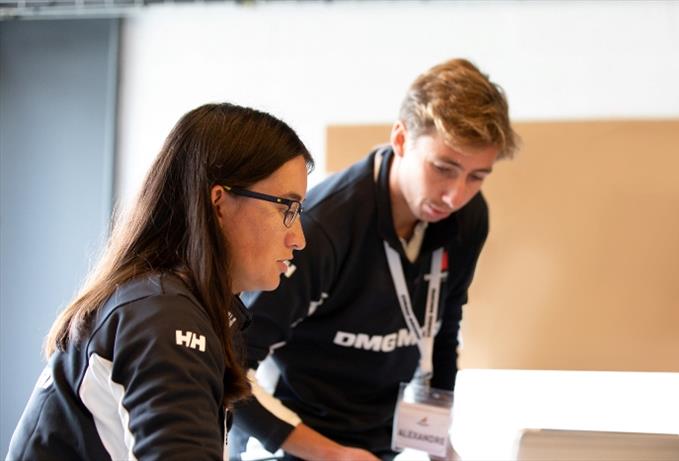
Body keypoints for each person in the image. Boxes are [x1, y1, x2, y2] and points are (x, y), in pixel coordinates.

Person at [232, 58, 518, 460]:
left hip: (381, 444)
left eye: (477, 176)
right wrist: (333, 455)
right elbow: (230, 366)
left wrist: (437, 442)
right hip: (292, 443)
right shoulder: (322, 227)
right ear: (401, 140)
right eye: (443, 168)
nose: (455, 195)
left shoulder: (469, 217)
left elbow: (442, 327)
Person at [6, 103, 313, 461]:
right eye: (285, 209)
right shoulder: (165, 317)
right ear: (219, 202)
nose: (298, 239)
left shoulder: (167, 303)